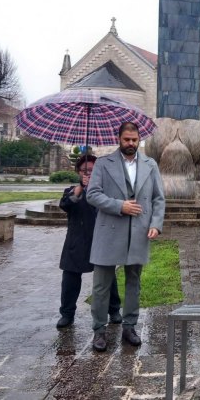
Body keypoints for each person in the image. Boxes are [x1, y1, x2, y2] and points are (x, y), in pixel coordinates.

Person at [86, 122, 165, 352]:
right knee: (101, 285)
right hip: (109, 231)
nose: (130, 144)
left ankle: (129, 326)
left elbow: (159, 198)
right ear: (118, 138)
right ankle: (99, 330)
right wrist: (120, 206)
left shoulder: (150, 164)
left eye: (134, 140)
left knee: (134, 282)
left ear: (139, 139)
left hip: (139, 231)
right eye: (126, 140)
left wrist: (156, 224)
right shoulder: (102, 164)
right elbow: (92, 194)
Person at [56, 155, 122, 329]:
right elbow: (65, 205)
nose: (88, 174)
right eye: (85, 171)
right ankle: (67, 314)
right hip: (76, 242)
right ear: (78, 172)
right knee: (70, 280)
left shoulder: (104, 192)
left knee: (108, 279)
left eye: (92, 171)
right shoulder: (72, 190)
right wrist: (80, 188)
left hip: (99, 241)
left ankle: (114, 310)